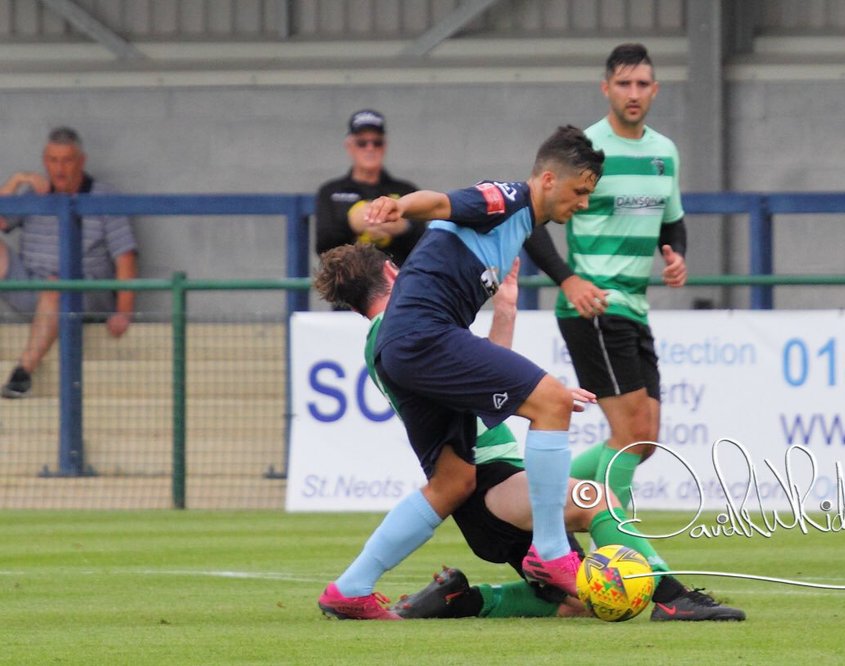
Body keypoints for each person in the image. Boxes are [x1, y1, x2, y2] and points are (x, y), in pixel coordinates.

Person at [314, 243, 744, 623]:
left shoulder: (400, 335)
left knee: (579, 603)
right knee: (599, 500)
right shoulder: (406, 333)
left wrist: (506, 311)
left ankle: (466, 600)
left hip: (496, 487)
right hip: (492, 483)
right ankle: (672, 598)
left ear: (352, 305)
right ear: (393, 272)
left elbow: (473, 378)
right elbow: (475, 387)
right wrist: (537, 394)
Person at [312, 125, 605, 619]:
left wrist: (508, 323)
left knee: (453, 482)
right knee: (552, 403)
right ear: (549, 179)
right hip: (423, 335)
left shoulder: (519, 231)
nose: (583, 204)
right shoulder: (509, 197)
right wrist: (402, 206)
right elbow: (444, 203)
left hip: (407, 348)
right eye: (581, 192)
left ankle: (350, 588)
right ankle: (552, 552)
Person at [524, 43, 688, 508]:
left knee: (644, 440)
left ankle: (531, 492)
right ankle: (617, 541)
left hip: (634, 305)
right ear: (606, 89)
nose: (632, 93)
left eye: (641, 84)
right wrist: (568, 280)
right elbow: (530, 220)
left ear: (654, 90)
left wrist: (675, 255)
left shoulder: (664, 152)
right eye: (623, 83)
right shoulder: (586, 151)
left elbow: (672, 218)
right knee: (630, 434)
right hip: (595, 304)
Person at [0, 127, 138, 398]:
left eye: (67, 160)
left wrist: (123, 311)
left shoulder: (104, 197)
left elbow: (125, 257)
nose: (59, 169)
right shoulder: (35, 194)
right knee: (49, 286)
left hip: (84, 293)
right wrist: (17, 181)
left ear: (81, 161)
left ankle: (23, 371)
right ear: (44, 161)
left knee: (57, 286)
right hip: (33, 291)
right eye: (53, 160)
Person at [314, 109, 424, 268]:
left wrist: (403, 228)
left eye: (376, 142)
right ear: (349, 146)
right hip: (349, 280)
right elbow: (323, 246)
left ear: (384, 146)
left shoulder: (406, 190)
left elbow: (424, 244)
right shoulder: (330, 191)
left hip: (398, 279)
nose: (370, 148)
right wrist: (351, 224)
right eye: (362, 143)